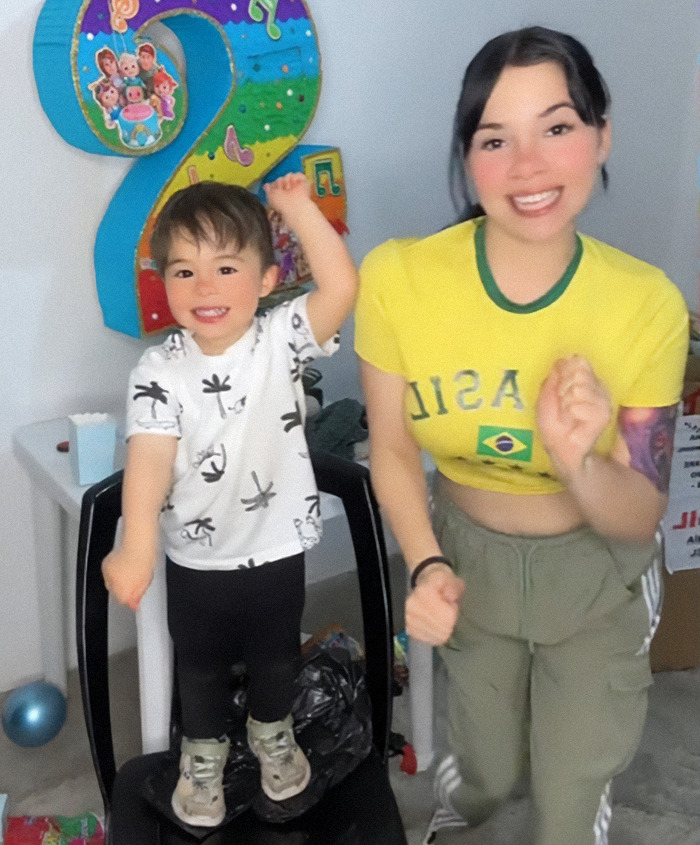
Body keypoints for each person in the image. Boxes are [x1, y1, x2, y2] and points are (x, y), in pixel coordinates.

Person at [355, 26, 688, 845]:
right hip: (467, 559)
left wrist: (577, 459)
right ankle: (456, 813)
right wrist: (426, 561)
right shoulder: (399, 279)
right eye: (495, 138)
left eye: (558, 127)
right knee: (487, 769)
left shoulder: (648, 306)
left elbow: (638, 513)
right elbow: (393, 448)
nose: (528, 165)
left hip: (594, 575)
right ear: (468, 156)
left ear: (600, 135)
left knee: (569, 798)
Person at [102, 174, 357, 828]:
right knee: (201, 667)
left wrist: (298, 208)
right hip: (197, 558)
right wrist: (134, 547)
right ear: (164, 285)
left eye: (225, 267)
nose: (205, 286)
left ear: (267, 280)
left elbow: (342, 288)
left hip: (275, 548)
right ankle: (203, 759)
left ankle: (274, 739)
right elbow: (149, 459)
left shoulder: (281, 339)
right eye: (184, 271)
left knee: (276, 659)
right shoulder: (159, 372)